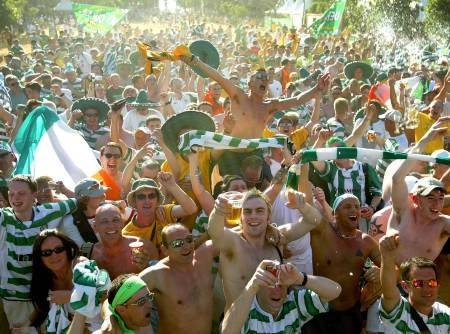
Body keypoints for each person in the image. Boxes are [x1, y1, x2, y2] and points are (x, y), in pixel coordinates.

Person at [208, 188, 323, 309]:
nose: (253, 216)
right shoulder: (233, 242)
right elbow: (214, 231)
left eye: (259, 211)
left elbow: (313, 221)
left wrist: (303, 206)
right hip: (241, 325)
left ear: (269, 217)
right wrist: (218, 210)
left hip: (273, 323)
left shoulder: (277, 239)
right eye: (247, 211)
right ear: (240, 218)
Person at [0, 175, 77, 331]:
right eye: (11, 193)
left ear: (34, 194)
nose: (15, 198)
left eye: (21, 193)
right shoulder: (4, 217)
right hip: (15, 297)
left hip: (46, 293)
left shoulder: (47, 211)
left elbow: (79, 201)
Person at [302, 193, 381, 334]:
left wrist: (380, 272)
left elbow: (395, 269)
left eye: (357, 206)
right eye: (347, 206)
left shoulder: (365, 241)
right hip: (318, 310)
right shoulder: (322, 232)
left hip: (349, 313)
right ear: (335, 213)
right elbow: (306, 207)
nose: (354, 210)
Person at [221, 260, 342, 334]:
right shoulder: (246, 309)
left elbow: (335, 291)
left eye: (281, 285)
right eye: (270, 284)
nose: (277, 290)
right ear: (259, 287)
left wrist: (300, 278)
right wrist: (251, 286)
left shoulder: (294, 303)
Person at [390, 117, 450, 264]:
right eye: (430, 198)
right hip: (392, 279)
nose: (436, 204)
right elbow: (397, 178)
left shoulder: (443, 224)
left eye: (441, 198)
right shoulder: (404, 212)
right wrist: (425, 139)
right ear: (416, 199)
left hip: (421, 284)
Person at [139, 223, 218, 334]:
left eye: (189, 239)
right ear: (165, 249)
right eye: (177, 244)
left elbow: (235, 235)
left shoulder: (205, 256)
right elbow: (120, 295)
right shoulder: (157, 274)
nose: (186, 246)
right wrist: (110, 319)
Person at [29, 229, 101, 332]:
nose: (54, 256)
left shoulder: (82, 265)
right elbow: (40, 312)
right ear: (40, 257)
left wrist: (70, 296)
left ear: (67, 249)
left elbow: (103, 295)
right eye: (46, 252)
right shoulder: (42, 279)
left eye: (59, 249)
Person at [379, 233, 450, 332]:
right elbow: (388, 292)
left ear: (438, 286)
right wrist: (387, 258)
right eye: (419, 283)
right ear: (405, 286)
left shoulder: (445, 314)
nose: (426, 288)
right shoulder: (397, 312)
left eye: (431, 283)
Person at [122, 175, 197, 254]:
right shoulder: (127, 234)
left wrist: (172, 186)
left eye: (152, 196)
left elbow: (191, 209)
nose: (147, 201)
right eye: (141, 197)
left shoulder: (164, 211)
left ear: (157, 200)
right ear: (134, 201)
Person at [69, 274, 154, 334]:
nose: (150, 305)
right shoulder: (107, 332)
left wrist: (109, 317)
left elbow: (109, 304)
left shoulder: (142, 321)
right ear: (122, 309)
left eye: (149, 296)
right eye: (141, 302)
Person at [91, 203, 158, 279]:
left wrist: (147, 267)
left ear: (122, 222)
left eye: (115, 220)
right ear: (95, 226)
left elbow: (160, 280)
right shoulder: (90, 253)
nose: (111, 226)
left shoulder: (145, 247)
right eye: (104, 221)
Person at [60, 178, 108, 247]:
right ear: (85, 200)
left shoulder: (109, 209)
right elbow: (83, 250)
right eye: (97, 194)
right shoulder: (70, 222)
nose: (103, 196)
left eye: (102, 192)